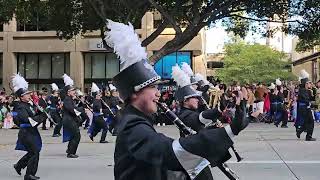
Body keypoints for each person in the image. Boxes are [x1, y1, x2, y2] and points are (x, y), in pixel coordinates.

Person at [105, 19, 249, 180]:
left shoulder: (137, 120)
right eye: (153, 87)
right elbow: (168, 152)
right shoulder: (132, 126)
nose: (158, 93)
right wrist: (230, 130)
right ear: (134, 93)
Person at [11, 74, 46, 180]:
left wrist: (39, 111)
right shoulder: (20, 107)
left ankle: (19, 165)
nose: (29, 95)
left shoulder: (29, 105)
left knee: (33, 152)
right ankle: (29, 175)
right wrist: (41, 116)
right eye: (26, 94)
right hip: (26, 132)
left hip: (31, 131)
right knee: (35, 152)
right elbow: (29, 120)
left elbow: (33, 116)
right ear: (21, 97)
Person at [61, 74, 82, 158]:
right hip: (69, 120)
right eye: (72, 90)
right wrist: (81, 109)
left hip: (71, 120)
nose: (74, 92)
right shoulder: (67, 99)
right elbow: (72, 110)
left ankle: (70, 150)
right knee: (77, 135)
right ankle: (71, 153)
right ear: (68, 92)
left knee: (74, 135)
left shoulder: (70, 99)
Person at [296, 70, 316, 141]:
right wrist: (311, 103)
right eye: (308, 83)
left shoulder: (305, 90)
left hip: (304, 108)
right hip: (304, 108)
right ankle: (308, 136)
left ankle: (300, 130)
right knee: (311, 121)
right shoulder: (303, 90)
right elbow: (306, 100)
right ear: (305, 84)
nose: (310, 84)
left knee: (307, 121)